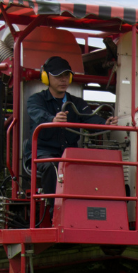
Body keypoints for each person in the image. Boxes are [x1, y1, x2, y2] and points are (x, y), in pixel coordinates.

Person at [24, 55, 94, 199]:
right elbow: (38, 114)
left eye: (66, 75)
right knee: (54, 167)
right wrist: (52, 120)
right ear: (46, 77)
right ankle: (54, 210)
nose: (63, 80)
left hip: (70, 155)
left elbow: (92, 119)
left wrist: (107, 123)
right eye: (58, 76)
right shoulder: (36, 100)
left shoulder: (77, 103)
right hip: (42, 154)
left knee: (91, 167)